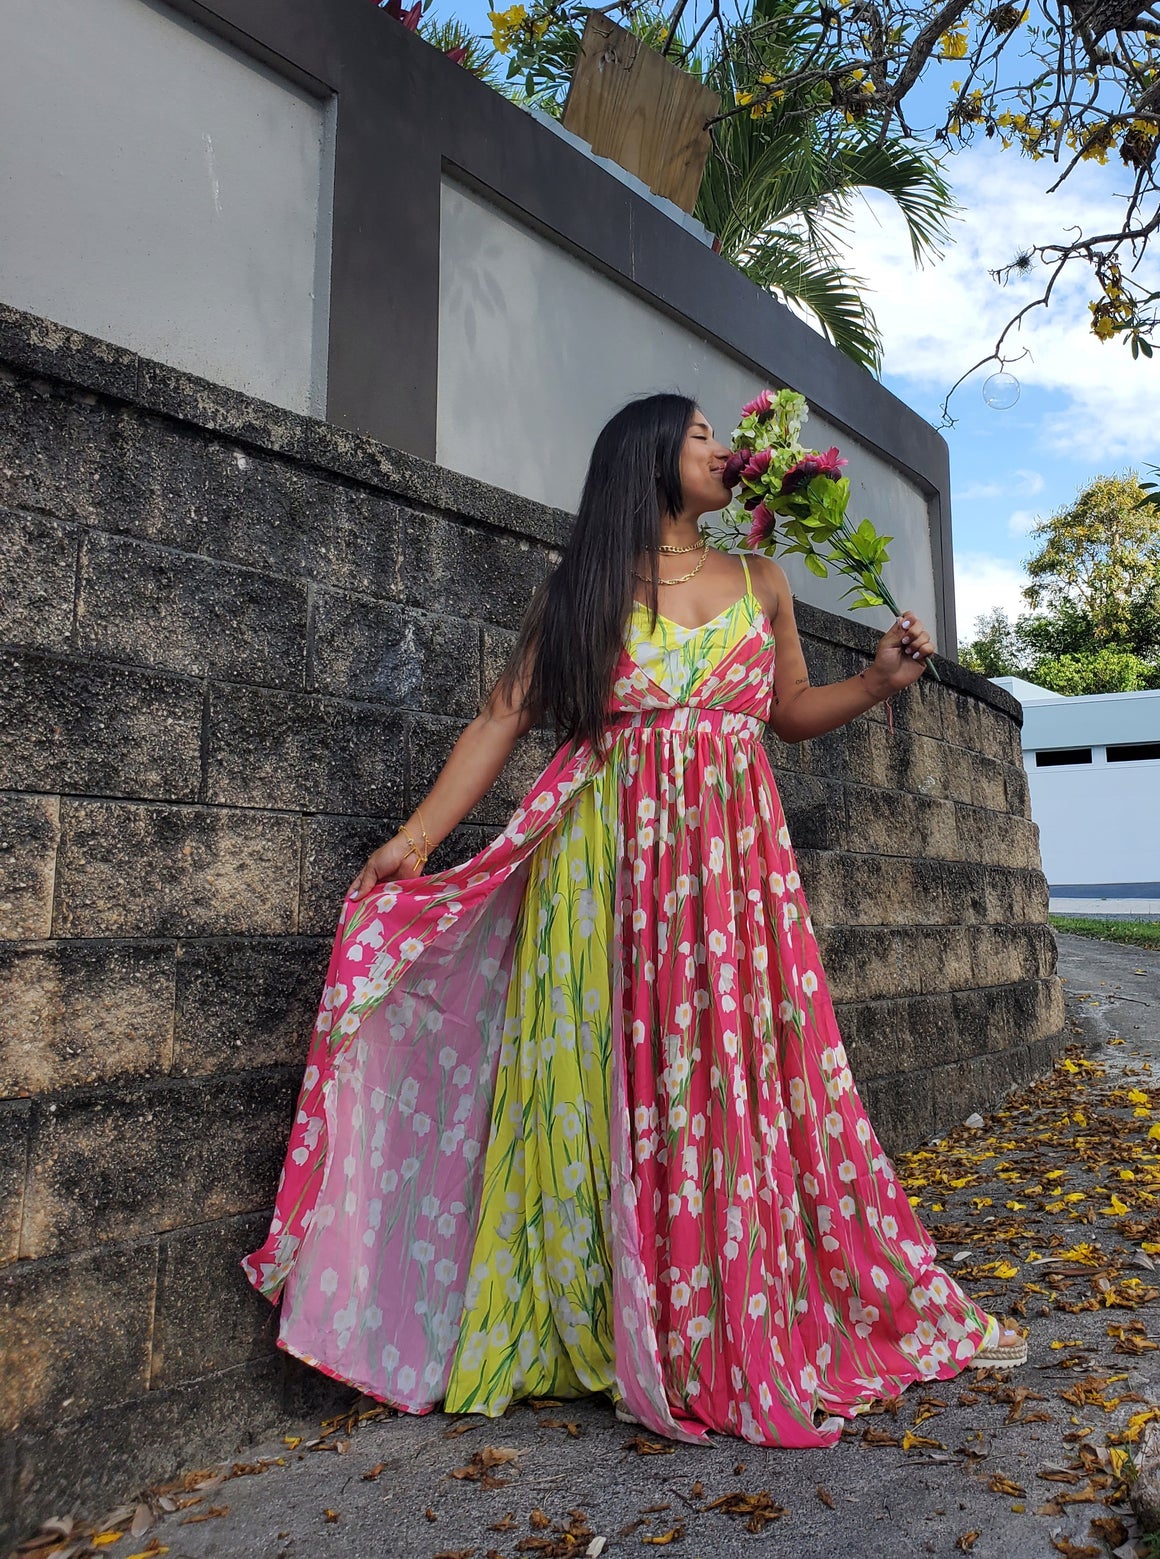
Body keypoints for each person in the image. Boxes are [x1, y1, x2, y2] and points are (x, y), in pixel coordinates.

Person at [244, 394, 1024, 1447]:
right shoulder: (588, 588)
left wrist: (876, 681)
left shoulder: (762, 578)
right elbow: (502, 716)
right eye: (701, 434)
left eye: (719, 435)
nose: (722, 449)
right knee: (621, 1080)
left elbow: (786, 714)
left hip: (737, 883)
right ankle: (621, 1317)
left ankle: (725, 1309)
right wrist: (419, 841)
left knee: (730, 1078)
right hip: (606, 870)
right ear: (647, 458)